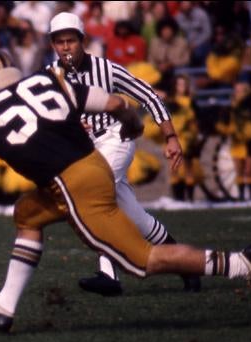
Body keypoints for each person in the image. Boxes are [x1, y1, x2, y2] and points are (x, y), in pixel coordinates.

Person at [0, 48, 251, 332]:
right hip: (93, 167)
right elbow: (116, 103)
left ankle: (241, 264)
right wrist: (132, 125)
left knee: (143, 259)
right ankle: (3, 307)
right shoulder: (46, 81)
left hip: (73, 187)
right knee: (27, 213)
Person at [48, 12, 200, 295]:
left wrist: (171, 135)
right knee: (136, 218)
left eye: (71, 40)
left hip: (117, 138)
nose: (65, 47)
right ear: (53, 45)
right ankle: (189, 266)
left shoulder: (106, 69)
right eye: (59, 42)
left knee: (96, 196)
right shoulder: (50, 77)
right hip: (86, 150)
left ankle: (109, 274)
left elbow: (148, 94)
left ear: (82, 41)